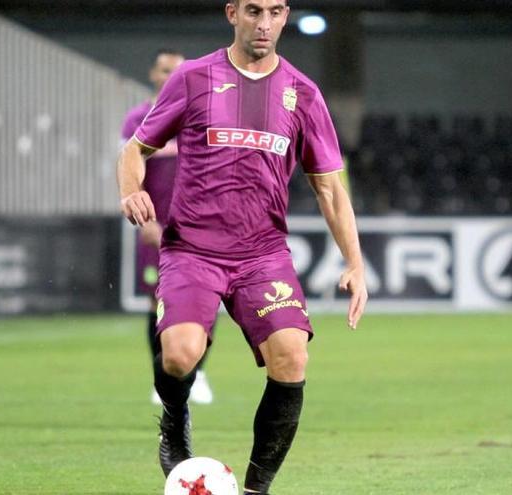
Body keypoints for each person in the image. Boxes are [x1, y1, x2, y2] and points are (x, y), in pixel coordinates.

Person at [116, 1, 368, 493]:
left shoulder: (304, 93)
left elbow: (331, 189)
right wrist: (131, 190)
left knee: (292, 356)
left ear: (286, 15)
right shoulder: (192, 78)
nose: (265, 23)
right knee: (179, 354)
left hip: (262, 255)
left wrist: (355, 262)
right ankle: (174, 421)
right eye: (254, 11)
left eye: (275, 12)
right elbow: (135, 149)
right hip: (192, 248)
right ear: (233, 13)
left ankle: (256, 488)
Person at [120, 49, 214, 406]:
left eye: (177, 69)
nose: (170, 75)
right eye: (164, 69)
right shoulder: (138, 120)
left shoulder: (200, 116)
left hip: (198, 227)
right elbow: (131, 167)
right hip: (155, 227)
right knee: (155, 301)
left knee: (205, 299)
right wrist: (145, 220)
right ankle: (161, 378)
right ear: (153, 74)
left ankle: (199, 373)